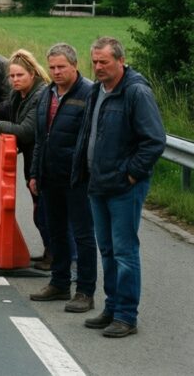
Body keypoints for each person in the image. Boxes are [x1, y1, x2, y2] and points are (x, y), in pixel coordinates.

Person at [72, 37, 165, 338]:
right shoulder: (97, 90)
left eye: (104, 62)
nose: (98, 67)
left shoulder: (135, 92)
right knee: (108, 250)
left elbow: (153, 141)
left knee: (124, 252)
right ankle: (112, 308)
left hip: (123, 186)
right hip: (98, 183)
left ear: (120, 61)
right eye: (95, 62)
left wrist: (131, 175)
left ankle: (126, 315)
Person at [27, 43, 97, 313]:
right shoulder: (47, 94)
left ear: (74, 66)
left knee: (82, 235)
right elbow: (40, 138)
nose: (56, 72)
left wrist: (86, 172)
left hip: (77, 178)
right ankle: (59, 283)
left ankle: (85, 291)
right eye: (52, 67)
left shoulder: (89, 94)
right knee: (56, 232)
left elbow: (92, 137)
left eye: (61, 67)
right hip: (50, 176)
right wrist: (35, 172)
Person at [0, 49, 50, 271]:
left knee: (46, 210)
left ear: (32, 74)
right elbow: (5, 108)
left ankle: (58, 256)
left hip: (43, 159)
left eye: (19, 75)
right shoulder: (19, 94)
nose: (15, 80)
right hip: (32, 158)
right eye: (12, 76)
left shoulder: (39, 96)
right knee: (39, 208)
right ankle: (51, 252)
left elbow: (27, 130)